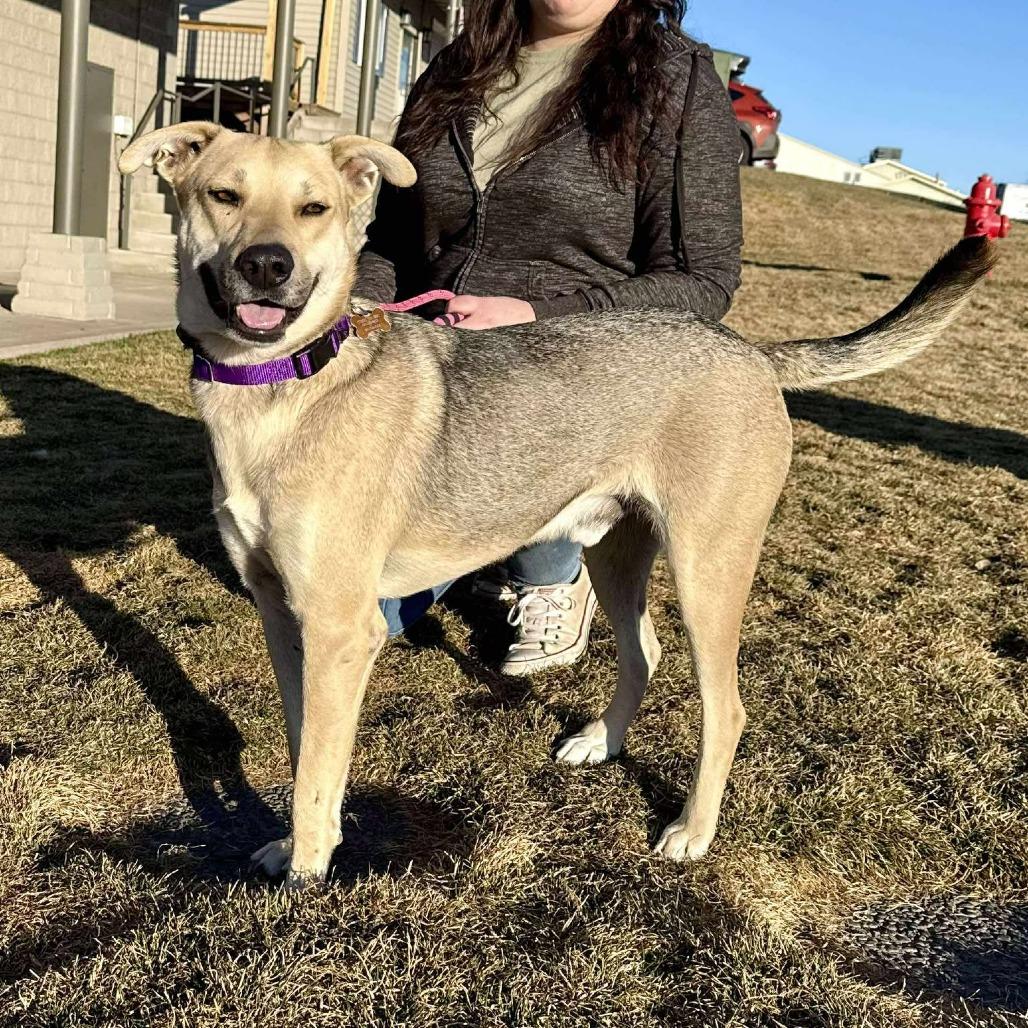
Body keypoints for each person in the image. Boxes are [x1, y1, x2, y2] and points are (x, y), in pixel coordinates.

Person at [356, 0, 742, 675]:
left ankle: (555, 568)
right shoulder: (457, 65)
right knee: (350, 615)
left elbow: (701, 282)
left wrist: (537, 315)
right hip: (428, 374)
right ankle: (481, 546)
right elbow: (391, 242)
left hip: (565, 386)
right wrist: (354, 310)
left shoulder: (673, 79)